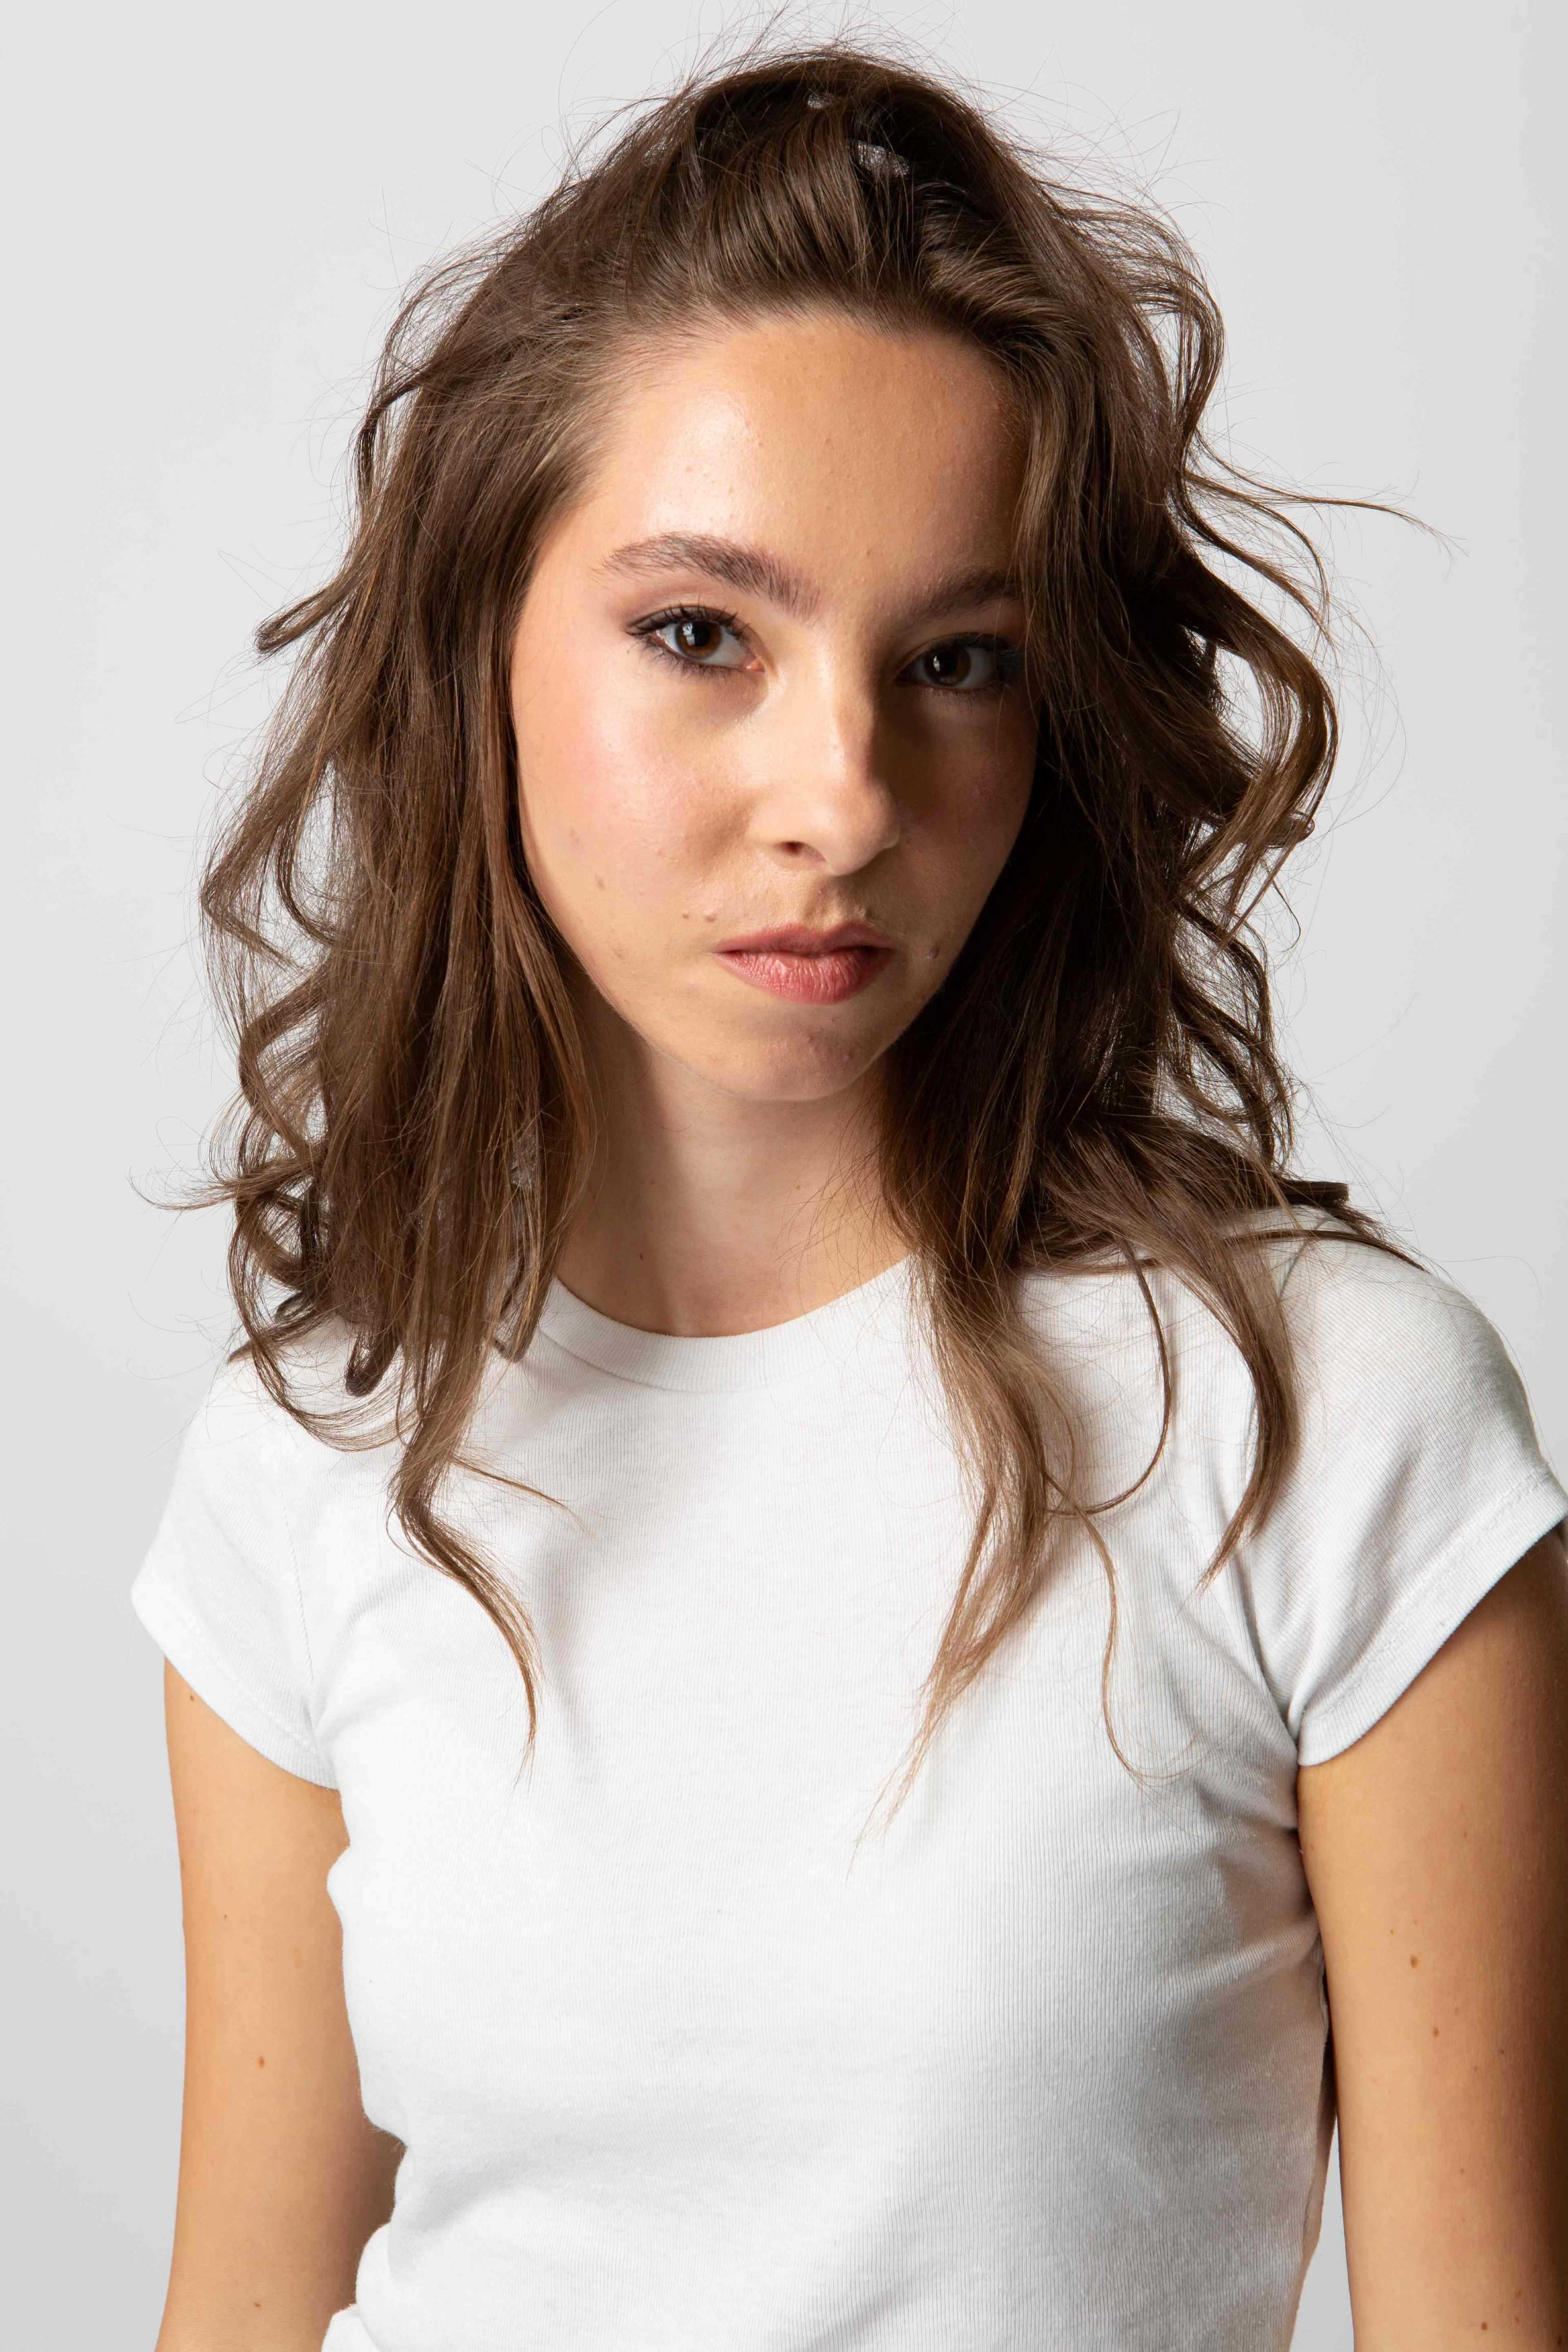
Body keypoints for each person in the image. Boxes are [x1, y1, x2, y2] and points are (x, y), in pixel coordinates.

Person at [131, 38, 1568, 2352]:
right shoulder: (312, 1460)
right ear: (479, 648)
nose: (845, 795)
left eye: (957, 663)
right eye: (703, 634)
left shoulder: (1322, 1424)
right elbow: (243, 2314)